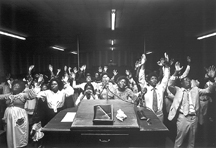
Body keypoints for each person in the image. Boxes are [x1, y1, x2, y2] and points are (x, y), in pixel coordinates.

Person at [168, 67, 216, 148]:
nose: (188, 81)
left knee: (192, 141)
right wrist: (176, 72)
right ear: (181, 83)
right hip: (183, 117)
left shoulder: (196, 89)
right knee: (180, 140)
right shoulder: (178, 90)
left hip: (194, 118)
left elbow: (209, 91)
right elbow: (170, 85)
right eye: (186, 80)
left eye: (189, 80)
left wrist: (211, 79)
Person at [0, 79, 41, 148]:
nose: (15, 86)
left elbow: (33, 95)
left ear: (21, 88)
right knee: (10, 133)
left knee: (20, 132)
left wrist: (37, 84)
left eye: (18, 86)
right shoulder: (8, 95)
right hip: (9, 117)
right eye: (14, 85)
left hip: (19, 116)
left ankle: (20, 146)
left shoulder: (23, 95)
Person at [138, 53, 170, 122]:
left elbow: (166, 78)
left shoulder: (161, 88)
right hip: (148, 114)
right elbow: (141, 78)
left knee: (160, 131)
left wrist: (167, 66)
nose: (154, 80)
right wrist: (143, 65)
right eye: (152, 78)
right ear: (149, 81)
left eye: (155, 78)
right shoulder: (145, 88)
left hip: (159, 114)